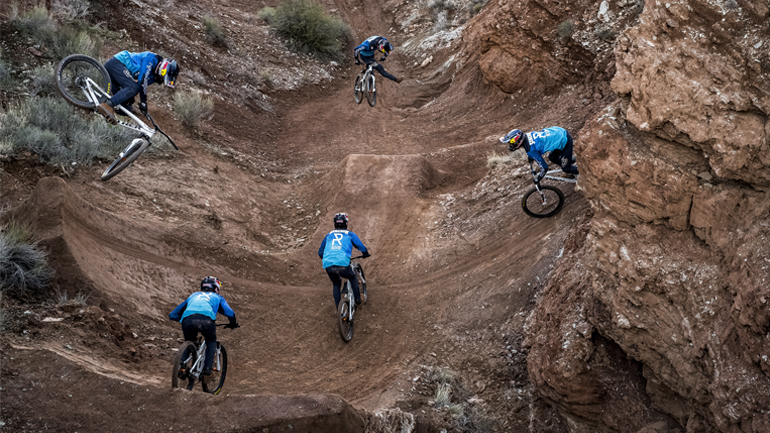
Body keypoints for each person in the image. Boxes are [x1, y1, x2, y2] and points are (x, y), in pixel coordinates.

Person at [169, 276, 238, 376]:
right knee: (211, 341)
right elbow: (230, 313)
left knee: (189, 340)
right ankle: (207, 368)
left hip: (188, 319)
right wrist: (233, 323)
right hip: (207, 321)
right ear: (216, 288)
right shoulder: (217, 297)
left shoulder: (193, 295)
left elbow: (172, 315)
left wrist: (184, 319)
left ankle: (181, 367)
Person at [97, 50, 179, 124]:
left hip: (119, 73)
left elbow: (141, 87)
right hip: (117, 63)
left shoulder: (154, 76)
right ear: (164, 68)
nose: (161, 77)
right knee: (132, 88)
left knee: (126, 108)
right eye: (163, 75)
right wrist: (143, 101)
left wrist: (130, 97)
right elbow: (142, 81)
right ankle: (108, 105)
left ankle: (97, 107)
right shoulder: (151, 58)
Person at [318, 213, 370, 309]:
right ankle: (358, 301)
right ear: (346, 223)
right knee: (352, 277)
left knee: (336, 283)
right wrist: (365, 253)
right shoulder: (350, 234)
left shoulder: (329, 235)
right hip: (342, 263)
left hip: (328, 264)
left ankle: (339, 309)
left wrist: (328, 259)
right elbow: (360, 246)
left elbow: (320, 252)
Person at [500, 126, 579, 181]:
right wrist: (531, 157)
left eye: (511, 142)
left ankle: (581, 172)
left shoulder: (531, 151)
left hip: (564, 140)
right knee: (552, 157)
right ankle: (571, 161)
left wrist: (538, 178)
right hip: (559, 132)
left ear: (518, 141)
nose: (510, 144)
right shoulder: (527, 135)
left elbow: (544, 168)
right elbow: (534, 145)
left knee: (566, 168)